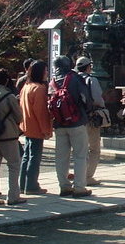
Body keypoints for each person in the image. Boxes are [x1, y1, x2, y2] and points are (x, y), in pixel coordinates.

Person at [49, 56, 92, 197]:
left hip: (59, 123)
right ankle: (79, 187)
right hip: (77, 121)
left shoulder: (53, 81)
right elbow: (86, 98)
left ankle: (64, 186)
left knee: (61, 157)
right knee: (80, 155)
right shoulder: (75, 78)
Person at [19, 60, 52, 195]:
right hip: (36, 127)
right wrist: (46, 130)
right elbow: (41, 112)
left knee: (27, 156)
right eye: (45, 70)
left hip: (26, 125)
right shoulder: (39, 89)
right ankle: (32, 185)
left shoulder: (26, 86)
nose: (47, 73)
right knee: (34, 157)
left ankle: (23, 184)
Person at [75, 56, 105, 186]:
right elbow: (98, 99)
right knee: (94, 148)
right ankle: (87, 176)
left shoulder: (71, 79)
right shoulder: (91, 80)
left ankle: (77, 175)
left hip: (75, 118)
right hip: (90, 117)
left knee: (79, 149)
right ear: (88, 67)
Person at [0, 68, 24, 205]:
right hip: (8, 135)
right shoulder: (8, 97)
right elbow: (19, 116)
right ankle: (13, 196)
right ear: (7, 81)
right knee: (13, 165)